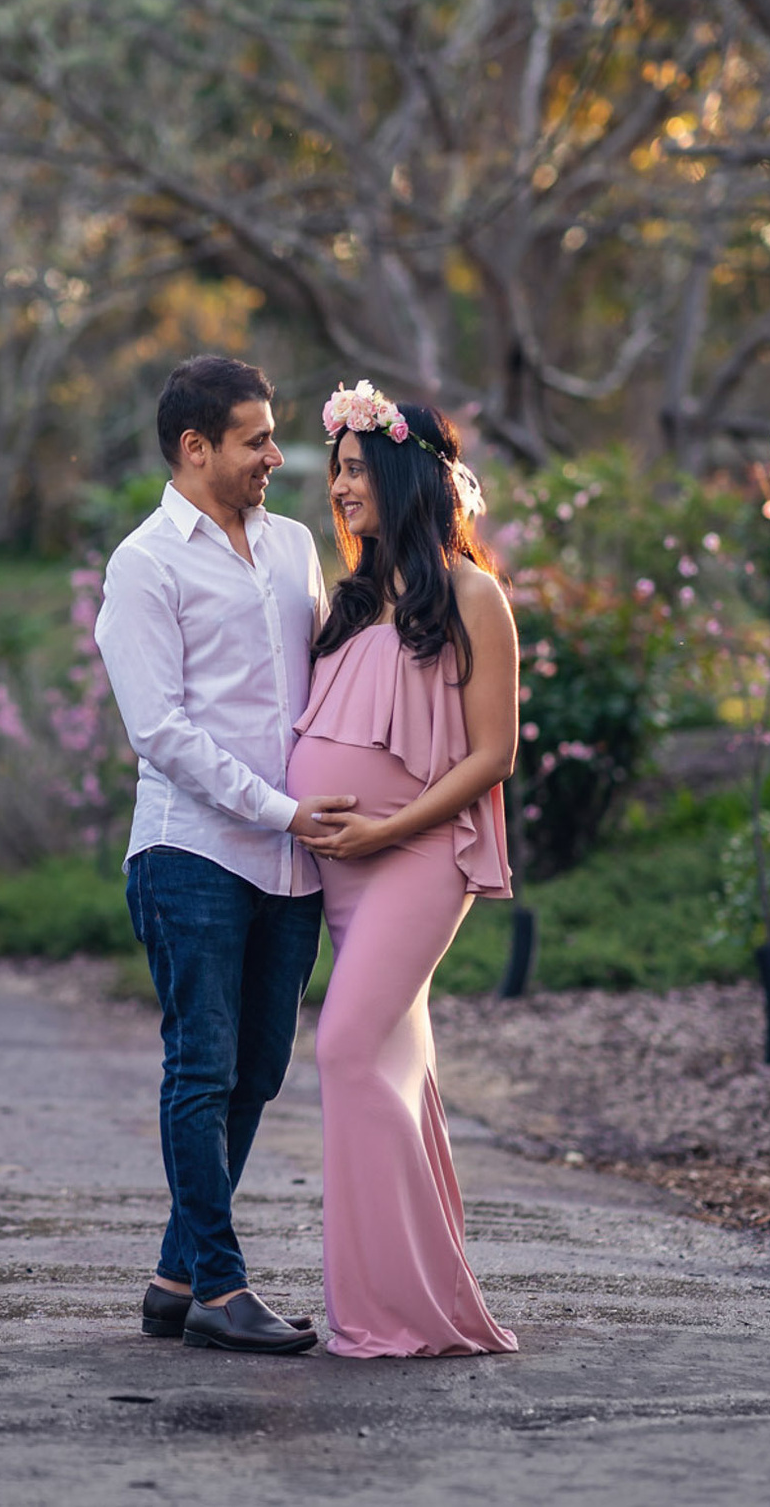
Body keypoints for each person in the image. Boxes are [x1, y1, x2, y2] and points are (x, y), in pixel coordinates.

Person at [95, 355, 357, 1355]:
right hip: (194, 850)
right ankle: (218, 1283)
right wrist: (281, 808)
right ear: (195, 447)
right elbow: (158, 729)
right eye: (255, 438)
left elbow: (329, 674)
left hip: (292, 862)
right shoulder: (145, 562)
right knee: (199, 1068)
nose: (275, 456)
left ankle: (174, 1276)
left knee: (256, 1072)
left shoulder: (293, 545)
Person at [290, 382, 521, 1358]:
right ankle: (417, 1300)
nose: (341, 489)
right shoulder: (348, 602)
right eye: (336, 471)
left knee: (344, 1045)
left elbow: (491, 754)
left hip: (423, 854)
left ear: (402, 473)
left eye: (354, 469)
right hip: (345, 867)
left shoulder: (473, 593)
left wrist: (384, 833)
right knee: (392, 1063)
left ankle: (390, 1312)